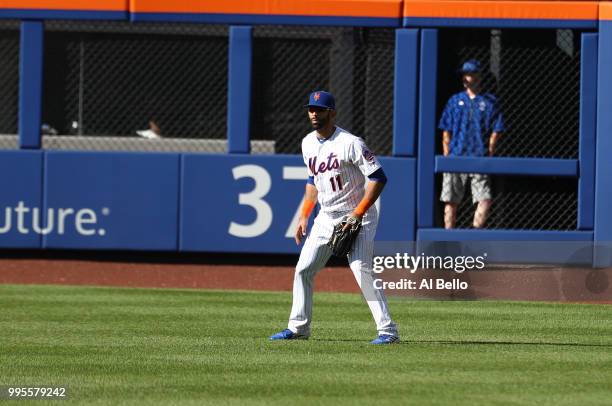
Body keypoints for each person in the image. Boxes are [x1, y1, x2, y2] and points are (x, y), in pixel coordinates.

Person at [269, 90, 399, 344]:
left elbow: (378, 178)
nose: (314, 113)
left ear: (332, 112)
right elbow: (312, 181)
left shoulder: (351, 143)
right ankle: (298, 328)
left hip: (358, 215)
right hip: (326, 216)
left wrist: (357, 213)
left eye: (319, 109)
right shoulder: (307, 143)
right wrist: (304, 215)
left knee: (361, 268)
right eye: (311, 109)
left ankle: (388, 330)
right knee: (303, 269)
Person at [439, 59, 504, 229]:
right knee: (451, 201)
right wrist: (447, 154)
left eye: (471, 74)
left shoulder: (490, 102)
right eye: (465, 74)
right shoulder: (455, 101)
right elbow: (446, 129)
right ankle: (449, 238)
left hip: (479, 156)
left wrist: (490, 152)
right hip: (456, 155)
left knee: (485, 199)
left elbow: (496, 129)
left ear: (479, 76)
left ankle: (474, 234)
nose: (467, 78)